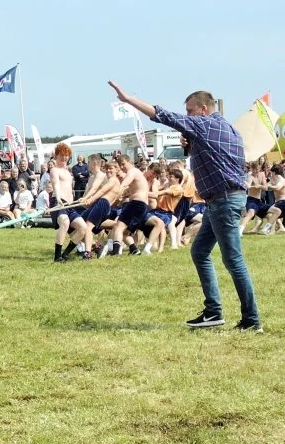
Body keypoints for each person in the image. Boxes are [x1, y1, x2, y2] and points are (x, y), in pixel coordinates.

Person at [109, 82, 261, 332]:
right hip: (221, 200)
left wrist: (129, 100)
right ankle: (213, 312)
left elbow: (164, 116)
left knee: (233, 260)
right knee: (200, 252)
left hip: (223, 200)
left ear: (203, 109)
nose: (188, 115)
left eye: (190, 111)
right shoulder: (229, 128)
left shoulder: (204, 123)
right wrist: (190, 145)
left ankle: (252, 320)